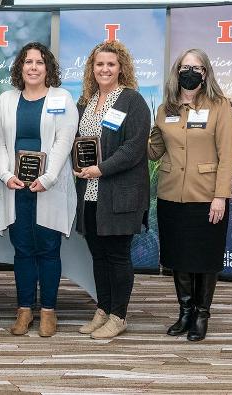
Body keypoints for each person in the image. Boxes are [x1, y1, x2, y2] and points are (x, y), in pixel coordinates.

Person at [149, 49, 232, 342]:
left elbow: (227, 155)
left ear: (206, 73)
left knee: (205, 257)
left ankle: (201, 314)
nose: (191, 72)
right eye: (186, 66)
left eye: (197, 68)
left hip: (207, 196)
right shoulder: (166, 109)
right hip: (171, 194)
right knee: (178, 256)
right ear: (177, 71)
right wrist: (131, 133)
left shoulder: (220, 105)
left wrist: (220, 196)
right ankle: (185, 311)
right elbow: (154, 150)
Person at [0, 42, 78, 337]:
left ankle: (48, 312)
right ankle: (24, 309)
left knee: (48, 249)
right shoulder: (5, 100)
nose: (33, 67)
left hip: (48, 188)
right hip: (16, 187)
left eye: (39, 62)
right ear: (20, 67)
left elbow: (63, 142)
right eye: (28, 62)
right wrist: (5, 174)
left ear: (48, 68)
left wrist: (48, 177)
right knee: (23, 250)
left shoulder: (62, 98)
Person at [74, 41, 150, 339]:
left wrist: (101, 169)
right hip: (90, 193)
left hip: (119, 194)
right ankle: (103, 309)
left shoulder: (132, 101)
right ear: (92, 69)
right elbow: (78, 143)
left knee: (118, 255)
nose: (104, 69)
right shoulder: (87, 102)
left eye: (111, 64)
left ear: (121, 68)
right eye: (99, 64)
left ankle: (119, 315)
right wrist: (77, 164)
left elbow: (133, 148)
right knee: (98, 255)